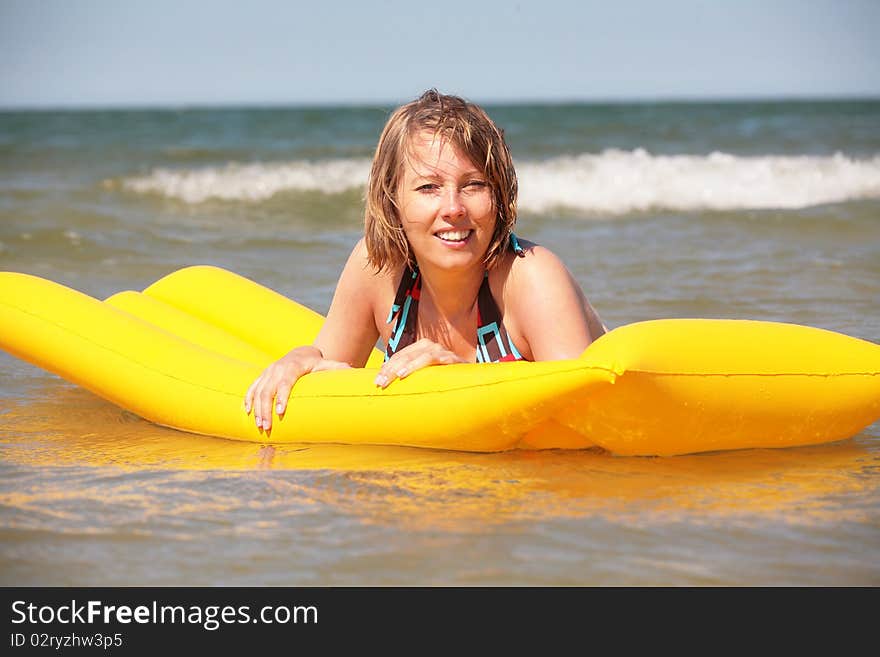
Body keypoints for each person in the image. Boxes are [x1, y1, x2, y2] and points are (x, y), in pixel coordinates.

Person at [244, 89, 606, 432]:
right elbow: (330, 362)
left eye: (474, 184)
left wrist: (458, 375)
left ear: (500, 194)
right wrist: (298, 359)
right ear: (391, 199)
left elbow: (584, 423)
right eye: (428, 187)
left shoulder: (531, 276)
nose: (453, 208)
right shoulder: (379, 268)